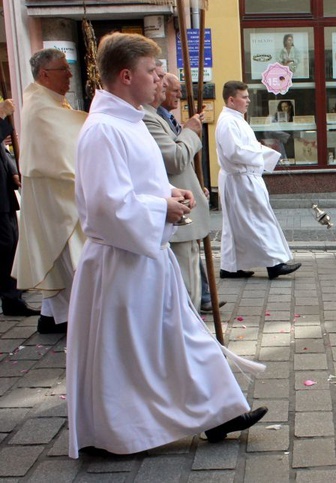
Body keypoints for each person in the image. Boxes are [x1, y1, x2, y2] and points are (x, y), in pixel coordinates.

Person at [66, 32, 267, 458]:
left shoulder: (129, 121)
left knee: (182, 335)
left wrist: (169, 199)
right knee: (129, 354)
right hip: (122, 263)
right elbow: (105, 205)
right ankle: (119, 432)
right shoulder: (103, 130)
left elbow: (138, 187)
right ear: (125, 76)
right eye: (151, 71)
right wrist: (162, 207)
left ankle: (221, 411)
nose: (159, 79)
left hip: (147, 255)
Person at [12, 48, 87, 334]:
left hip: (59, 190)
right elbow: (69, 137)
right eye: (63, 70)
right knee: (65, 256)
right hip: (55, 195)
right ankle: (67, 317)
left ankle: (54, 317)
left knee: (61, 260)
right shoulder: (40, 105)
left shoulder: (49, 100)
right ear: (44, 74)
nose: (69, 75)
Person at [215, 81, 301, 280]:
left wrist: (262, 151)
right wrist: (262, 154)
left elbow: (245, 146)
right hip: (240, 179)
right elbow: (235, 152)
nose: (248, 100)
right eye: (244, 97)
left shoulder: (236, 119)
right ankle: (274, 264)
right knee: (258, 220)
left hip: (244, 177)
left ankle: (229, 267)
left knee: (238, 225)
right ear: (231, 99)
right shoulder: (228, 122)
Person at [143, 67, 207, 309]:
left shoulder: (157, 116)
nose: (159, 82)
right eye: (155, 76)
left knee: (191, 284)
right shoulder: (146, 118)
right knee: (186, 290)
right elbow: (176, 159)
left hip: (183, 211)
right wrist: (190, 132)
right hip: (174, 216)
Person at [0, 100, 40, 317]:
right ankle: (10, 297)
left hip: (4, 192)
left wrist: (12, 170)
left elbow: (2, 151)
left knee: (11, 243)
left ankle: (13, 295)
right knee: (5, 245)